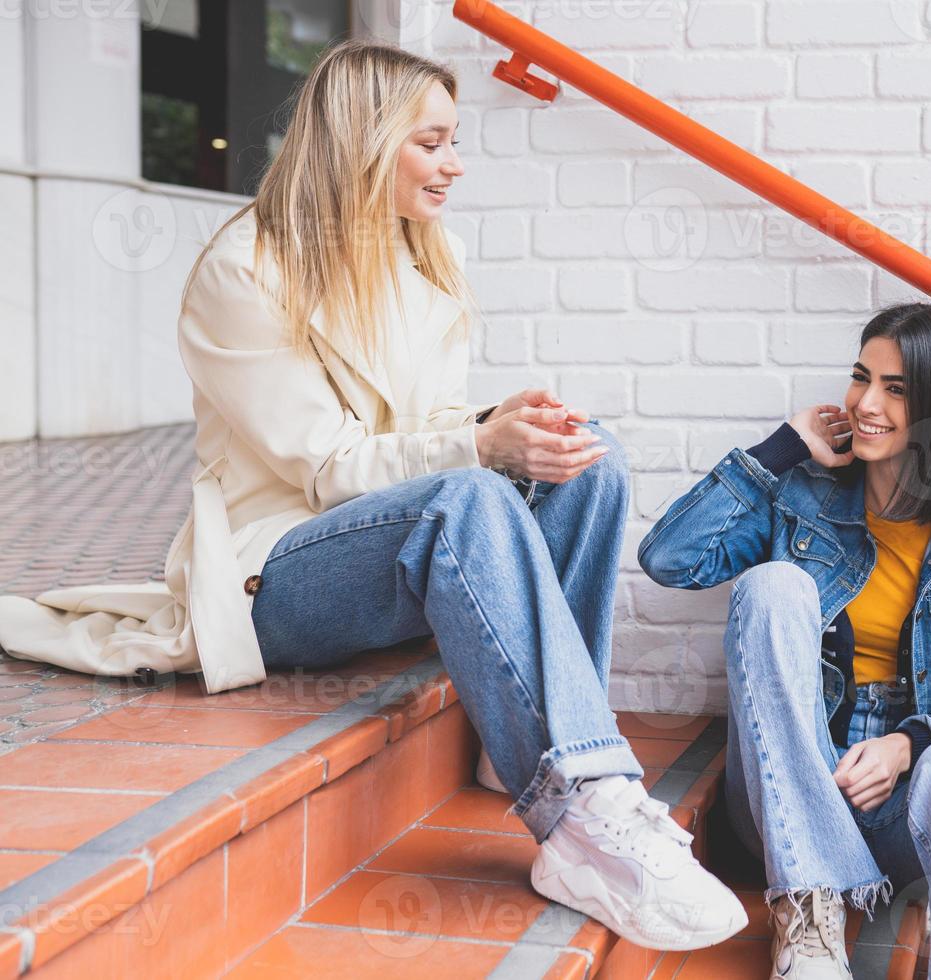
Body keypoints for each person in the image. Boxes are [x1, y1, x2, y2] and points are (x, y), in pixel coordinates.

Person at [0, 39, 745, 952]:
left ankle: (533, 748)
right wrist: (475, 447)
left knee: (595, 458)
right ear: (364, 138)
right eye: (433, 143)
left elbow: (426, 428)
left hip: (391, 541)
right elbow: (326, 464)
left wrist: (500, 427)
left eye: (455, 142)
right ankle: (584, 818)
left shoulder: (428, 255)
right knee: (467, 501)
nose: (456, 165)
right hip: (277, 568)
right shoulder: (245, 270)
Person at [639, 303, 931, 979]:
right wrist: (776, 452)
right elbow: (669, 558)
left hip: (898, 795)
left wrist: (907, 744)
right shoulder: (805, 491)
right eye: (861, 377)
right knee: (773, 587)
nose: (867, 402)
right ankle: (809, 912)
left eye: (897, 388)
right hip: (789, 780)